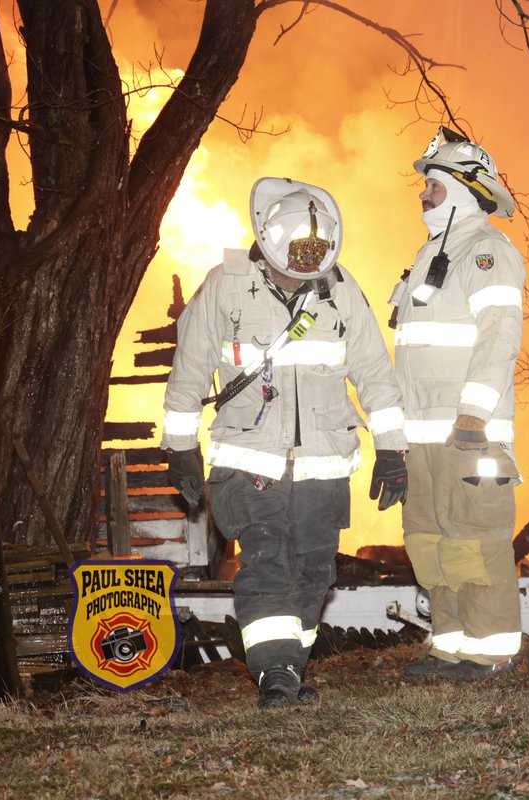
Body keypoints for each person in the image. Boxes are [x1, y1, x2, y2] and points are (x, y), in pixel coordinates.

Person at [161, 177, 409, 708]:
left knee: (315, 571)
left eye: (315, 253)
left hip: (323, 466)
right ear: (270, 239)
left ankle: (289, 667)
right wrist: (180, 444)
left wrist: (392, 447)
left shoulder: (341, 290)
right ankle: (274, 671)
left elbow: (374, 373)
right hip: (250, 463)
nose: (304, 262)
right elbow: (189, 369)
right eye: (297, 251)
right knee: (268, 561)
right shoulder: (226, 286)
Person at [388, 127, 525, 680]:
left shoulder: (486, 251)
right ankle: (450, 645)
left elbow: (499, 338)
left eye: (434, 187)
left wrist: (474, 416)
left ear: (466, 189)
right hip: (424, 437)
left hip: (469, 433)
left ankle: (487, 651)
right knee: (430, 542)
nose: (422, 195)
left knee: (475, 540)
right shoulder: (427, 256)